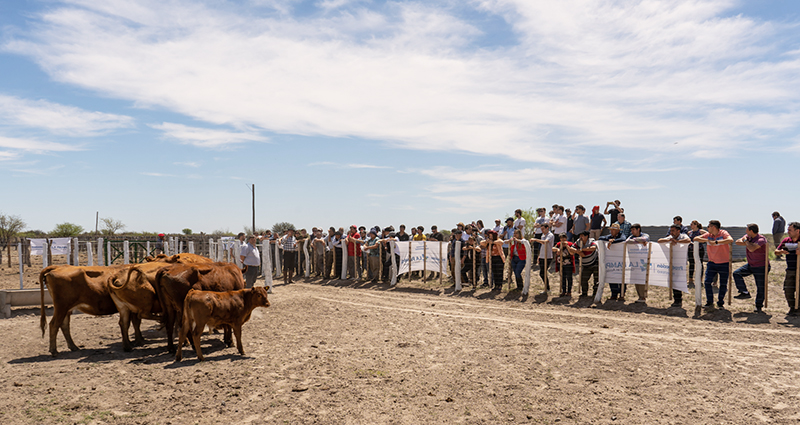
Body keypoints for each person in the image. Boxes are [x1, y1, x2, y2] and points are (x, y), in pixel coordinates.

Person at [695, 220, 734, 309]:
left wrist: (716, 242)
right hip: (711, 263)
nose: (707, 228)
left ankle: (720, 302)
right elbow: (696, 239)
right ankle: (709, 301)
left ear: (714, 227)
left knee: (723, 284)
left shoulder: (723, 233)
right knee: (707, 282)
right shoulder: (709, 235)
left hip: (724, 263)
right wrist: (707, 240)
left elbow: (730, 240)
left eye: (708, 226)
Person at [732, 223, 768, 313]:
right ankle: (744, 292)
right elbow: (737, 242)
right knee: (737, 273)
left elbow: (752, 248)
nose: (745, 231)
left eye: (747, 230)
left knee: (760, 286)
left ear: (751, 231)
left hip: (761, 266)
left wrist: (746, 242)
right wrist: (747, 242)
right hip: (751, 264)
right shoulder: (748, 237)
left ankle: (758, 306)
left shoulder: (761, 239)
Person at [657, 224, 690, 307]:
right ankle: (676, 300)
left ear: (678, 231)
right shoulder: (670, 237)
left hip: (680, 263)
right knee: (673, 281)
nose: (671, 232)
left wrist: (677, 242)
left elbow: (688, 240)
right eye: (671, 231)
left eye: (673, 231)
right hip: (672, 262)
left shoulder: (683, 236)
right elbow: (659, 240)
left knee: (678, 280)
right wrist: (669, 241)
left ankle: (679, 300)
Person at [776, 222, 800, 316]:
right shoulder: (786, 240)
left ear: (797, 231)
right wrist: (781, 251)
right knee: (788, 289)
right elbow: (776, 251)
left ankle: (799, 309)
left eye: (790, 230)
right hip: (790, 269)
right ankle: (792, 307)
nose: (788, 232)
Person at [567, 231, 599, 298]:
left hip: (595, 263)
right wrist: (578, 251)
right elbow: (571, 248)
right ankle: (584, 293)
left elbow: (593, 248)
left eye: (582, 236)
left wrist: (582, 249)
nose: (580, 237)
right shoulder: (578, 241)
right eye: (580, 236)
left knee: (596, 280)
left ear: (586, 236)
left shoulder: (591, 240)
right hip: (585, 265)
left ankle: (595, 294)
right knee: (583, 280)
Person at [598, 223, 626, 300]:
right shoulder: (609, 236)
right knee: (612, 276)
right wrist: (609, 240)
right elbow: (600, 238)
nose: (612, 232)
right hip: (612, 260)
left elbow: (623, 239)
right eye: (611, 230)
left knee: (621, 277)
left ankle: (622, 294)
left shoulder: (621, 235)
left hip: (621, 259)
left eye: (614, 230)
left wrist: (613, 241)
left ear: (617, 231)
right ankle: (614, 294)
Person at [626, 224, 650, 303]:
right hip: (634, 261)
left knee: (643, 278)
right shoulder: (630, 236)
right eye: (631, 230)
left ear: (638, 229)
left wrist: (638, 240)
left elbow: (645, 238)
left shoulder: (645, 235)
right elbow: (627, 241)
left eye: (633, 230)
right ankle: (640, 296)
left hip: (644, 261)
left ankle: (643, 296)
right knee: (636, 278)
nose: (632, 232)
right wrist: (640, 241)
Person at [530, 223, 555, 294]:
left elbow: (545, 242)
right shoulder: (543, 235)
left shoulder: (550, 235)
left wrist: (535, 239)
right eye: (541, 229)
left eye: (543, 229)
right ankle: (546, 288)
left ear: (547, 228)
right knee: (542, 273)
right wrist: (539, 256)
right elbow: (542, 246)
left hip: (548, 256)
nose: (542, 230)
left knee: (543, 273)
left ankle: (547, 288)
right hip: (542, 256)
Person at [687, 220, 708, 286]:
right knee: (691, 263)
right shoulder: (689, 232)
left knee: (700, 264)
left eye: (692, 224)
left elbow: (708, 236)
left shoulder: (701, 231)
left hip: (699, 249)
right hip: (691, 249)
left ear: (696, 225)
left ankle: (700, 279)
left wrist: (702, 241)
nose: (691, 225)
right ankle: (690, 279)